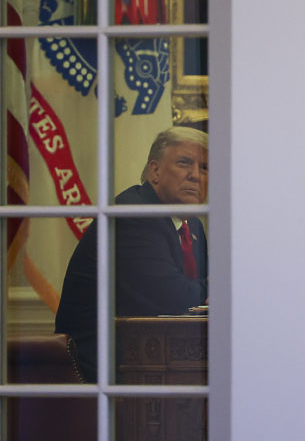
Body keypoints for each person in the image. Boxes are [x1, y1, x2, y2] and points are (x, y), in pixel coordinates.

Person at [55, 127, 209, 382]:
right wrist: (216, 289)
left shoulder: (192, 226)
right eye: (184, 163)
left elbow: (199, 295)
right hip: (104, 374)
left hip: (159, 361)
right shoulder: (134, 214)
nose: (195, 175)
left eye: (204, 167)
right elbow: (172, 299)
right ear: (155, 171)